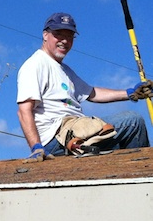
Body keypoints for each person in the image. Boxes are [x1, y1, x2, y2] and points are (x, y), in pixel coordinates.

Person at [17, 12, 150, 162]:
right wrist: (36, 147)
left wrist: (131, 93)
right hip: (56, 140)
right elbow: (24, 111)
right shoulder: (35, 64)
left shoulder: (65, 70)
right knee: (133, 122)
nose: (64, 41)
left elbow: (92, 94)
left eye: (69, 37)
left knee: (123, 144)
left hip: (78, 132)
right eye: (58, 34)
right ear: (45, 35)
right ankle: (144, 173)